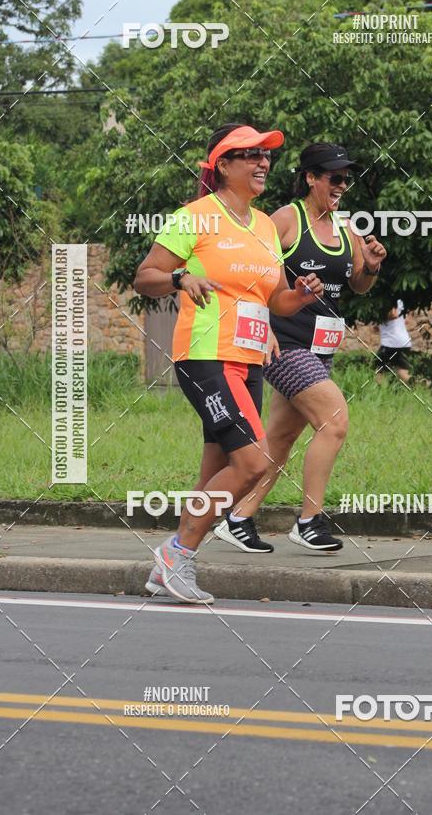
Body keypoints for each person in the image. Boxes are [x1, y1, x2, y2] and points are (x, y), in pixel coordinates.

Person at [133, 123, 324, 603]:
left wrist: (300, 296)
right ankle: (177, 554)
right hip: (206, 355)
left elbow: (274, 299)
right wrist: (180, 278)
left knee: (215, 471)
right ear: (223, 164)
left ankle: (167, 569)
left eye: (267, 155)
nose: (263, 163)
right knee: (254, 462)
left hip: (249, 359)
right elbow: (146, 276)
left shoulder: (264, 226)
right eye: (251, 154)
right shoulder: (194, 217)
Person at [214, 142, 386, 554]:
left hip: (320, 347)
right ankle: (309, 521)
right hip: (283, 342)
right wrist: (261, 326)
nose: (341, 186)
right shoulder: (287, 220)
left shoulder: (345, 228)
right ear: (310, 178)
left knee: (281, 437)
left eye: (346, 179)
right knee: (334, 420)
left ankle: (237, 518)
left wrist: (372, 265)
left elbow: (358, 285)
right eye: (334, 177)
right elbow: (252, 273)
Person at [375, 300, 413, 384]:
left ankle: (382, 391)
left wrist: (378, 317)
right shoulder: (400, 300)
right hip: (403, 342)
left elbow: (394, 314)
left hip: (391, 343)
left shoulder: (387, 299)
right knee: (402, 372)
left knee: (379, 372)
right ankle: (426, 385)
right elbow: (406, 319)